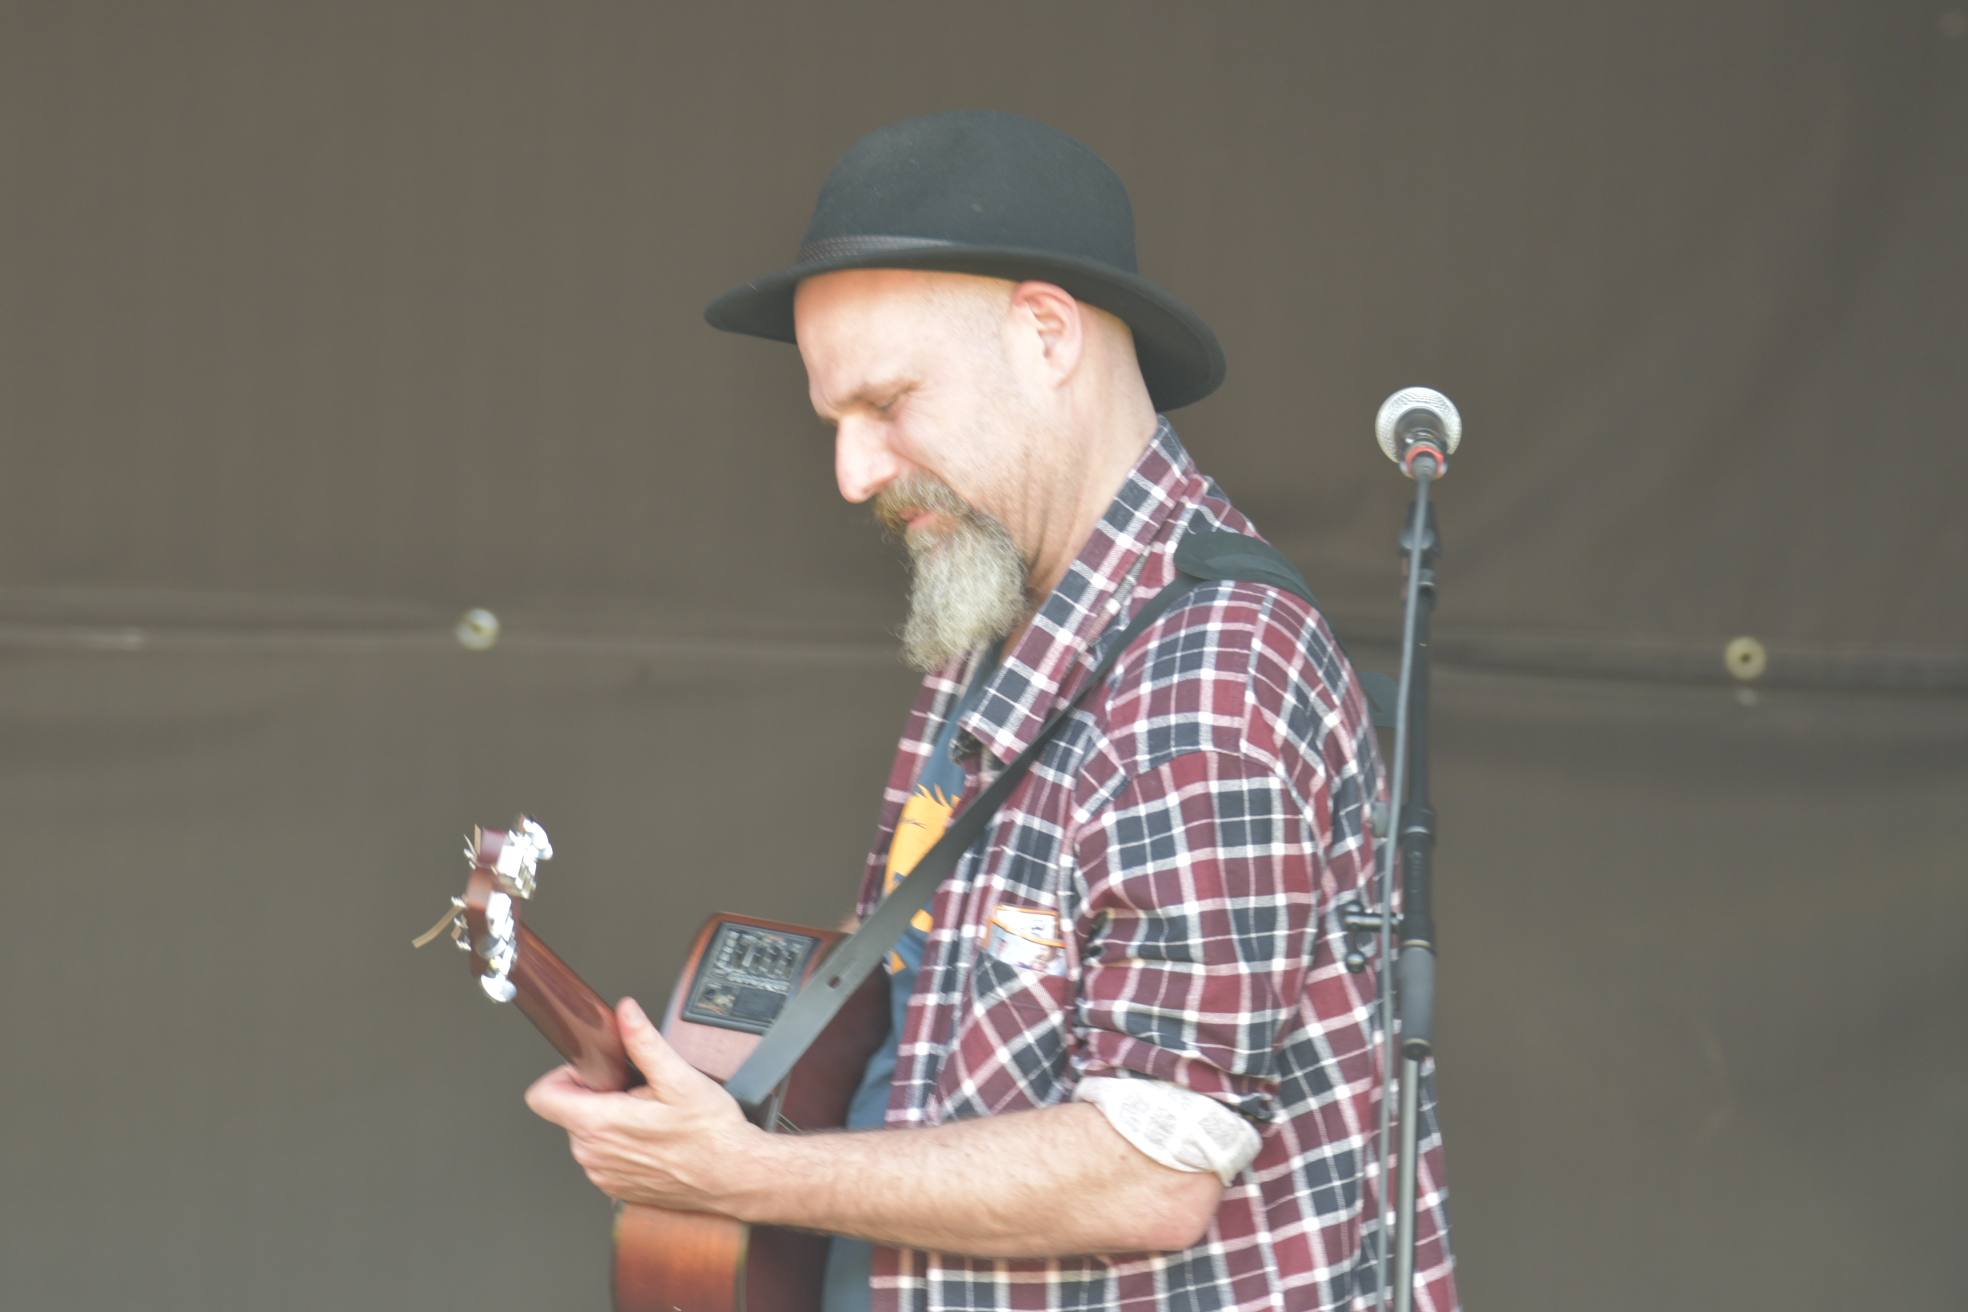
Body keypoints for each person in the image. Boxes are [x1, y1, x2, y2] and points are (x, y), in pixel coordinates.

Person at [525, 111, 1458, 1312]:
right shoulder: (995, 602)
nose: (853, 474)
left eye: (888, 401)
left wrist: (745, 1173)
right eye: (835, 423)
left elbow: (1150, 1168)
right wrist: (706, 1089)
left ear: (1046, 334)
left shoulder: (1211, 675)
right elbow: (927, 987)